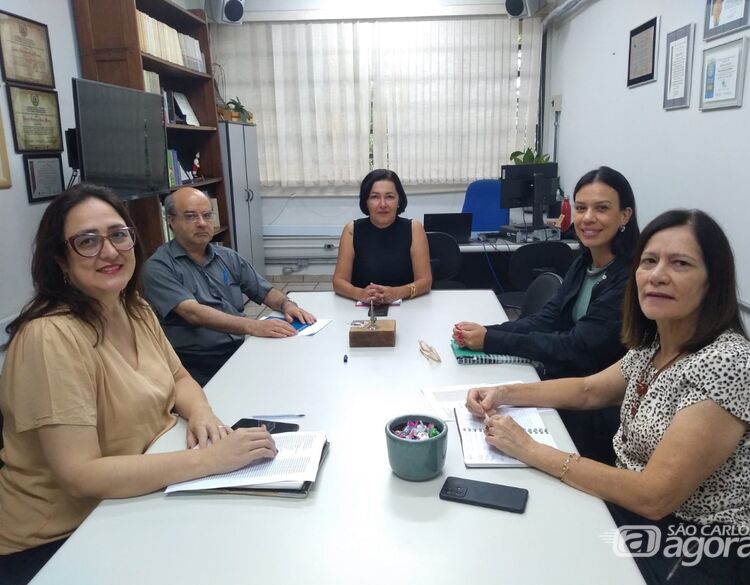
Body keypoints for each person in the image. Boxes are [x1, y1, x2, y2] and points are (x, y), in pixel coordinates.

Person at [466, 209, 750, 585]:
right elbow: (588, 389)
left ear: (713, 282)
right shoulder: (658, 343)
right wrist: (503, 392)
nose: (657, 275)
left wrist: (530, 450)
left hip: (689, 549)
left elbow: (653, 497)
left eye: (680, 263)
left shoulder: (728, 363)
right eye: (649, 261)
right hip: (633, 514)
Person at [0, 185, 277, 585]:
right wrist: (210, 461)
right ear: (60, 259)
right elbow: (80, 475)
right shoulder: (50, 337)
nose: (110, 251)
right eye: (87, 242)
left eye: (118, 234)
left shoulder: (134, 308)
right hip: (58, 540)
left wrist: (201, 413)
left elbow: (179, 377)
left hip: (133, 501)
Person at [454, 166, 639, 463]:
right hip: (559, 387)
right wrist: (488, 331)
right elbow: (546, 319)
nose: (588, 217)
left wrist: (492, 340)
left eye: (601, 208)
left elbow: (575, 348)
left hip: (592, 414)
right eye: (581, 208)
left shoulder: (629, 280)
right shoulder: (584, 263)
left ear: (625, 215)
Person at [143, 187, 316, 386]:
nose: (201, 223)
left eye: (207, 216)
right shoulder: (158, 267)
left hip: (240, 349)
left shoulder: (226, 256)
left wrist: (287, 305)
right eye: (191, 216)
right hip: (195, 365)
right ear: (171, 220)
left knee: (298, 371)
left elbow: (265, 291)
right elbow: (193, 313)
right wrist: (253, 326)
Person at [332, 169, 432, 304]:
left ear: (399, 200)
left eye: (390, 197)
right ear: (366, 201)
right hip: (361, 308)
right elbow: (338, 282)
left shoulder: (414, 228)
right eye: (374, 197)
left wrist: (397, 293)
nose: (383, 204)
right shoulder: (352, 230)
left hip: (408, 306)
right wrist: (361, 294)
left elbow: (425, 281)